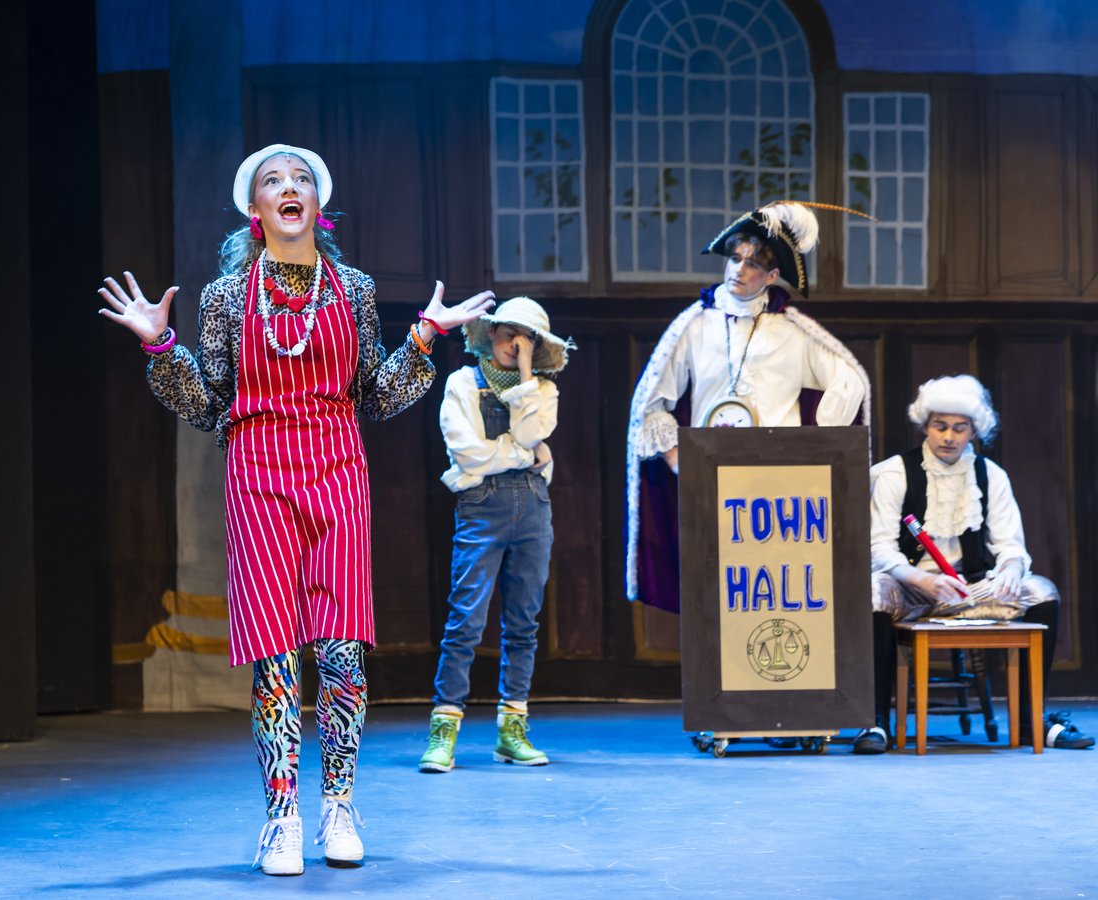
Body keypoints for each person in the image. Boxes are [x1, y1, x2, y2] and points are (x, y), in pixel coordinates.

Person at [98, 144, 495, 875]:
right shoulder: (226, 297)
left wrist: (425, 336)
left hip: (337, 472)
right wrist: (161, 346)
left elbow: (378, 395)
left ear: (318, 205)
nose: (289, 187)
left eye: (301, 179)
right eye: (273, 181)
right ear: (255, 209)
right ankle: (282, 816)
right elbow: (208, 404)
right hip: (257, 476)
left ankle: (338, 806)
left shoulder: (354, 289)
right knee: (276, 658)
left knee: (342, 653)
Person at [626, 201, 870, 615]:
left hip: (778, 485)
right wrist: (677, 458)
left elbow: (850, 382)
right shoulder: (696, 325)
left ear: (772, 276)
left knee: (772, 588)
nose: (738, 269)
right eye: (735, 258)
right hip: (711, 478)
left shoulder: (793, 331)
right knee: (714, 592)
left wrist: (812, 448)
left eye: (752, 263)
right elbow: (651, 403)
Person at [858, 374, 1093, 753]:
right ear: (925, 426)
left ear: (974, 431)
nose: (949, 437)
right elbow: (879, 549)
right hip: (910, 589)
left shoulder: (991, 475)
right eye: (940, 426)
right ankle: (875, 722)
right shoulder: (894, 473)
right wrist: (922, 580)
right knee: (875, 590)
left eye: (959, 428)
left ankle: (1030, 720)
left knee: (1041, 591)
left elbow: (1011, 545)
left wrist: (1011, 569)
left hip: (970, 590)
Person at [417, 297, 574, 773]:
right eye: (508, 334)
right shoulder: (463, 383)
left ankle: (512, 731)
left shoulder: (542, 390)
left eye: (525, 340)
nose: (514, 344)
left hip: (533, 506)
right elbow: (468, 454)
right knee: (466, 619)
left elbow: (528, 433)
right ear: (491, 333)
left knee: (523, 621)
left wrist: (526, 375)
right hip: (481, 506)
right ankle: (444, 730)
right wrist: (525, 456)